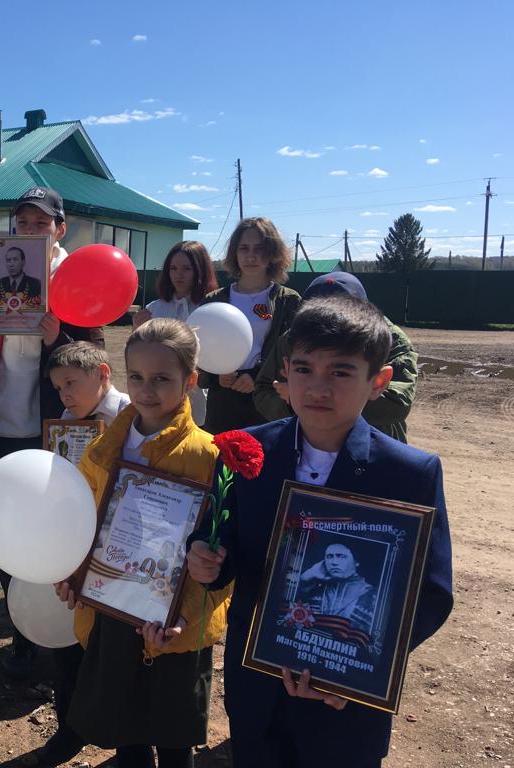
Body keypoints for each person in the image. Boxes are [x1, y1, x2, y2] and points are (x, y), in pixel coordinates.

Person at [186, 294, 453, 768]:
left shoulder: (410, 473)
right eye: (305, 369)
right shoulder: (249, 452)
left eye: (341, 372)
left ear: (379, 381)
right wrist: (206, 558)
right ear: (284, 371)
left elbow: (432, 593)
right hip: (258, 687)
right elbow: (219, 533)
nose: (318, 387)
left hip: (345, 704)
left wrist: (361, 668)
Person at [55, 318, 233, 768]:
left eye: (162, 379)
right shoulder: (103, 448)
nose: (146, 390)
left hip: (174, 623)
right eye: (136, 376)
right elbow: (83, 522)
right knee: (124, 726)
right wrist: (75, 572)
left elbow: (221, 553)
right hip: (113, 609)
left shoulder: (209, 456)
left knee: (173, 738)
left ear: (190, 381)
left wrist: (184, 617)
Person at [0, 186, 104, 680]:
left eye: (42, 223)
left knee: (56, 531)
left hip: (52, 429)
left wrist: (58, 339)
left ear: (60, 229)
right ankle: (22, 634)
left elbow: (95, 357)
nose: (31, 229)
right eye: (23, 222)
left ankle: (62, 641)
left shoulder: (75, 277)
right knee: (9, 531)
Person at [22, 342, 129, 766]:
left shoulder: (131, 417)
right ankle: (70, 729)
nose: (64, 394)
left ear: (102, 373)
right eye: (57, 387)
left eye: (71, 383)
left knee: (117, 648)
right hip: (74, 545)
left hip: (121, 550)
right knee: (69, 646)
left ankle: (127, 738)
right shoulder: (65, 425)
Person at [253, 271, 418, 442]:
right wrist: (292, 402)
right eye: (304, 369)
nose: (328, 318)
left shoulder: (386, 338)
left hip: (374, 444)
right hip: (307, 444)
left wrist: (302, 398)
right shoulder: (294, 337)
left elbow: (397, 404)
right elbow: (263, 390)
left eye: (340, 372)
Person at [197, 218, 301, 434]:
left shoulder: (288, 301)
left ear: (273, 253)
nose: (251, 256)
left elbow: (295, 354)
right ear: (234, 253)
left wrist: (257, 377)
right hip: (222, 402)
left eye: (259, 249)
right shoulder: (214, 301)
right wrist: (217, 376)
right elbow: (198, 350)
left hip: (268, 401)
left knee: (264, 455)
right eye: (244, 248)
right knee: (221, 455)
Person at [133, 241, 217, 424]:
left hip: (197, 394)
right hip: (159, 395)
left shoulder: (210, 309)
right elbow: (138, 356)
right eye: (173, 268)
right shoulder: (154, 309)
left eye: (187, 269)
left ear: (200, 271)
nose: (179, 275)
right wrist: (137, 331)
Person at [298, 543, 376, 638]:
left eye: (341, 557)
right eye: (329, 557)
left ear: (356, 562)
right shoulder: (315, 588)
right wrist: (306, 577)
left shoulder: (371, 595)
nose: (334, 562)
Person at [46, 341, 130, 423]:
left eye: (69, 383)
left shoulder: (131, 412)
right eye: (58, 388)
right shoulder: (68, 417)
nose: (63, 397)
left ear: (102, 374)